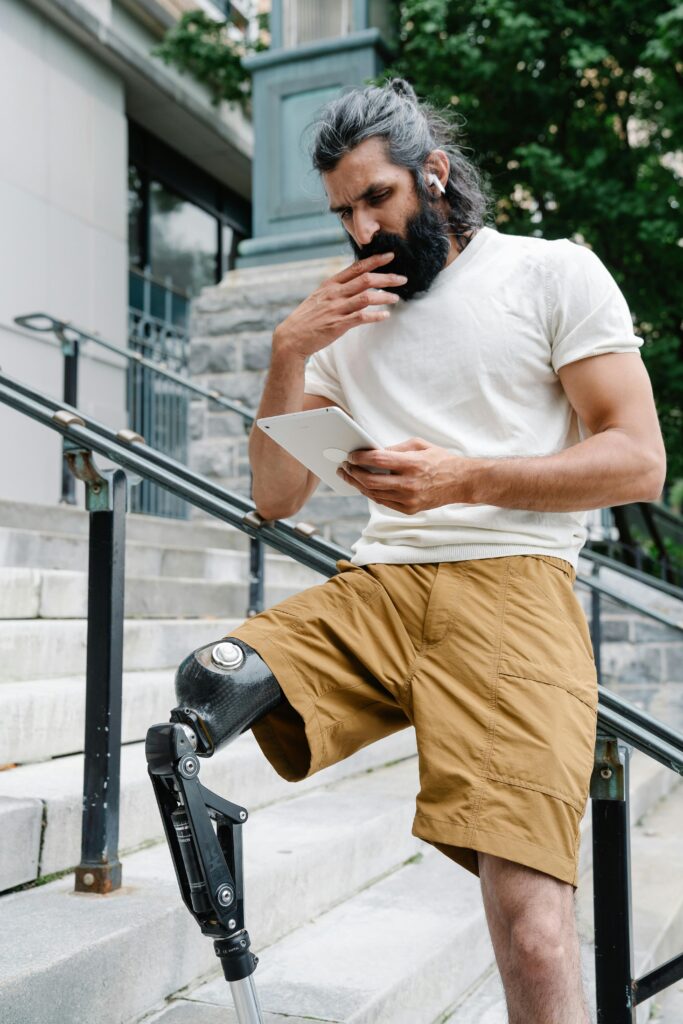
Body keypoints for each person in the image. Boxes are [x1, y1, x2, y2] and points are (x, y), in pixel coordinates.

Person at [174, 79, 667, 1023]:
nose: (360, 231)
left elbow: (637, 460)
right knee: (199, 696)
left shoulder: (548, 272)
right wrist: (286, 350)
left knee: (528, 923)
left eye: (376, 200)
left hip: (512, 592)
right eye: (342, 212)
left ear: (432, 174)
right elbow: (276, 499)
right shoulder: (341, 327)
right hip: (377, 589)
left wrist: (466, 478)